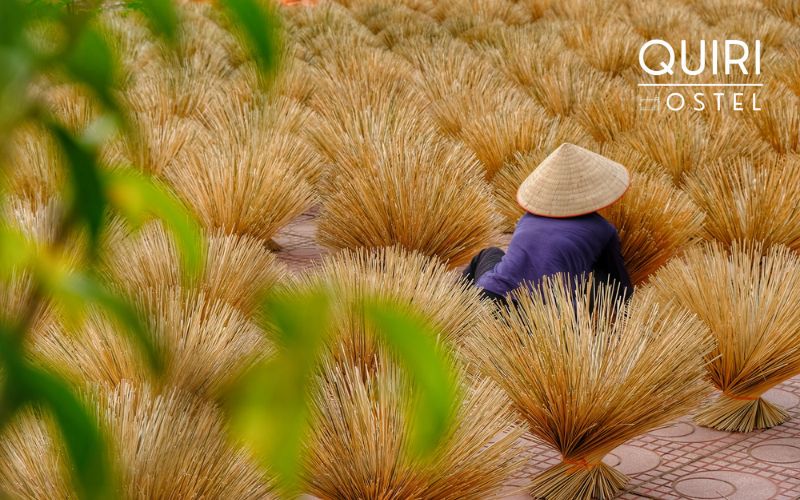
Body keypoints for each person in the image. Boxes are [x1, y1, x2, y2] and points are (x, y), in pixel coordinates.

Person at [463, 143, 633, 304]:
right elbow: (620, 287)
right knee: (599, 278)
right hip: (546, 316)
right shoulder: (603, 229)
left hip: (490, 298)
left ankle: (459, 308)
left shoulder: (528, 218)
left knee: (489, 254)